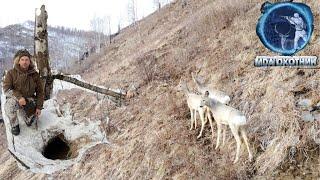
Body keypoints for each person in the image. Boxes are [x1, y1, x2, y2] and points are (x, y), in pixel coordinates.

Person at [3, 49, 44, 135]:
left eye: (26, 60)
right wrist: (19, 97)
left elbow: (40, 92)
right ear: (18, 61)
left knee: (31, 123)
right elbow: (6, 89)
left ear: (30, 61)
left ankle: (27, 116)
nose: (24, 62)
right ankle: (14, 124)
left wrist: (39, 107)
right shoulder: (11, 73)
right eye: (22, 60)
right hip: (16, 99)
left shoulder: (35, 74)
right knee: (9, 106)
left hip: (29, 99)